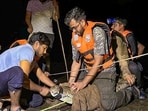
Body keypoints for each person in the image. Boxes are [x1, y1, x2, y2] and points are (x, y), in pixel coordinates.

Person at [64, 6, 138, 111]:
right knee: (75, 90)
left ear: (82, 22)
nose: (74, 31)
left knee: (107, 104)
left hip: (105, 69)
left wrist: (83, 83)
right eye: (71, 28)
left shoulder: (97, 31)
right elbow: (76, 61)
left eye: (75, 27)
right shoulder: (75, 36)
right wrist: (71, 80)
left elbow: (98, 62)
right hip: (88, 68)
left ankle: (130, 92)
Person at [0, 32, 56, 110]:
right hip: (2, 82)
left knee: (37, 100)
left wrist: (55, 86)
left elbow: (40, 74)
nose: (45, 52)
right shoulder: (28, 50)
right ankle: (14, 106)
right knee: (18, 73)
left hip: (6, 82)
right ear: (36, 44)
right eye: (44, 48)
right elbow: (23, 79)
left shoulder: (29, 55)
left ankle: (7, 103)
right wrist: (41, 89)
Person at [110, 17, 146, 99]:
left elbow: (141, 47)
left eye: (115, 25)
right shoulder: (113, 35)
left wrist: (134, 59)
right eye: (112, 25)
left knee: (133, 67)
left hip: (126, 60)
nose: (112, 27)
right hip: (117, 60)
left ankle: (140, 89)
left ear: (122, 26)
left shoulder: (128, 36)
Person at [25, 0, 60, 72]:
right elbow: (27, 17)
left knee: (45, 55)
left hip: (48, 33)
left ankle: (45, 74)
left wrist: (56, 6)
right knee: (33, 54)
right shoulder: (31, 2)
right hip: (35, 32)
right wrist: (29, 26)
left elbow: (56, 18)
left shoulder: (51, 3)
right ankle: (31, 75)